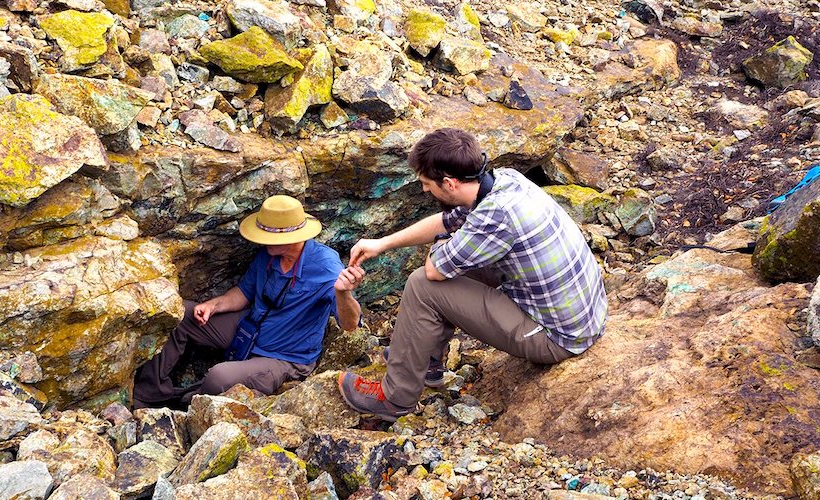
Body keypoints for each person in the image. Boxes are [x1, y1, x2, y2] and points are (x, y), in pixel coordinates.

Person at [337, 128, 608, 421]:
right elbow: (447, 221)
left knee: (422, 285)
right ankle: (423, 359)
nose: (424, 190)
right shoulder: (504, 180)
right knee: (456, 266)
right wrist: (383, 243)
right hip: (584, 316)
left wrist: (443, 244)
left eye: (427, 183)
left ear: (449, 183)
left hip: (558, 337)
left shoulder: (496, 216)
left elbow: (434, 270)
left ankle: (395, 398)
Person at [134, 195, 365, 408]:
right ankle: (148, 395)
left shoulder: (325, 267)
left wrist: (343, 293)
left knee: (219, 377)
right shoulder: (269, 253)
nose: (262, 242)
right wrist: (213, 306)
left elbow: (349, 324)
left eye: (268, 237)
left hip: (284, 357)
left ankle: (183, 404)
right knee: (181, 313)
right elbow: (244, 293)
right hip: (250, 328)